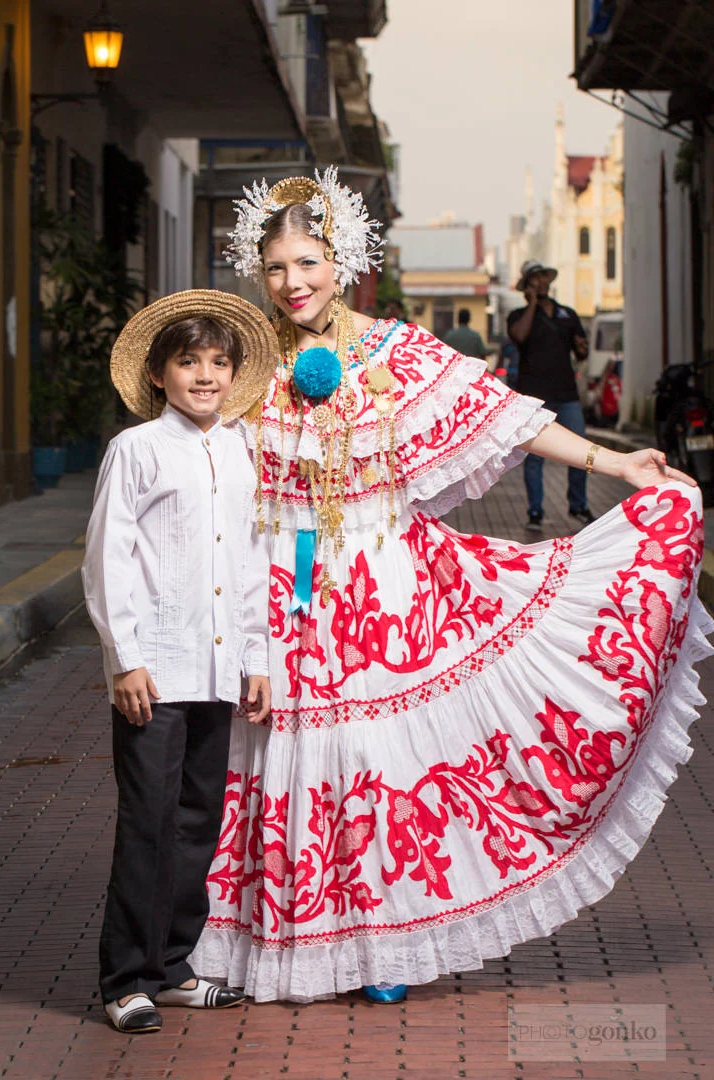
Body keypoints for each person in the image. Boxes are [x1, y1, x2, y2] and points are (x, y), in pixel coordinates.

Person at [189, 168, 712, 1006]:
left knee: (380, 762)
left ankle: (389, 941)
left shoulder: (398, 351)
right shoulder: (247, 365)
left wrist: (615, 462)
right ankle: (291, 938)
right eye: (277, 267)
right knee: (290, 759)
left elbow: (507, 416)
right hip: (283, 595)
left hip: (388, 589)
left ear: (341, 261)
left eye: (308, 262)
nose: (293, 283)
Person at [82, 290, 277, 1033]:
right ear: (158, 373)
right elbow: (108, 559)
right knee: (148, 820)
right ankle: (125, 979)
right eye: (188, 362)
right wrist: (124, 658)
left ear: (233, 374)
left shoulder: (241, 449)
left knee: (198, 820)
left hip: (219, 669)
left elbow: (254, 562)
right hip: (156, 671)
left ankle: (172, 967)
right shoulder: (136, 449)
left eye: (218, 363)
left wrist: (256, 659)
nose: (205, 376)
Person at [507, 259, 592, 531]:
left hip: (566, 394)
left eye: (544, 277)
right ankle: (535, 510)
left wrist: (582, 348)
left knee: (581, 449)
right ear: (526, 286)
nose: (541, 282)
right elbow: (519, 336)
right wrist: (532, 303)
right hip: (534, 397)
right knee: (534, 457)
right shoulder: (518, 316)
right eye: (535, 278)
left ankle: (578, 505)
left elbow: (581, 352)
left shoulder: (567, 314)